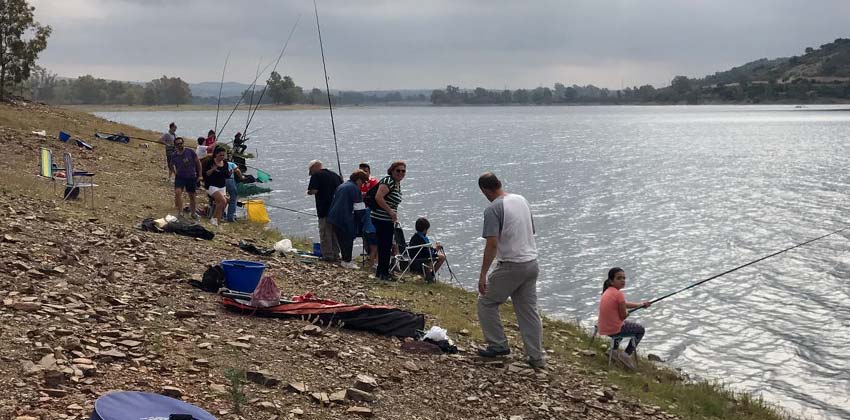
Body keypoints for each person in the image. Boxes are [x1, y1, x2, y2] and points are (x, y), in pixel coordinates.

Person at [476, 172, 545, 369]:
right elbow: (531, 230)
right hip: (531, 262)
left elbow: (492, 243)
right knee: (528, 312)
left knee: (486, 302)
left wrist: (483, 274)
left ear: (484, 189)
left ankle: (498, 345)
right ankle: (536, 356)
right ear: (499, 183)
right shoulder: (520, 200)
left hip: (511, 264)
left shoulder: (493, 209)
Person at [597, 267, 650, 370]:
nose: (622, 280)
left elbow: (623, 304)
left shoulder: (608, 291)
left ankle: (613, 350)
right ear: (611, 281)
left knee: (623, 325)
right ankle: (626, 355)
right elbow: (623, 316)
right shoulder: (619, 294)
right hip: (613, 330)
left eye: (624, 278)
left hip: (603, 327)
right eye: (619, 278)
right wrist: (626, 314)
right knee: (640, 330)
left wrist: (641, 305)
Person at [327, 170, 370, 269]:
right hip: (345, 218)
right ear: (358, 180)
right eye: (363, 182)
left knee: (341, 239)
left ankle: (344, 259)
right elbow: (359, 208)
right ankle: (347, 261)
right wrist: (362, 218)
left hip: (334, 217)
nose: (362, 185)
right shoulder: (354, 189)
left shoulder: (342, 186)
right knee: (348, 239)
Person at [371, 161, 406, 281]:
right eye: (398, 170)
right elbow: (378, 197)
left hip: (387, 219)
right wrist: (390, 211)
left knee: (386, 245)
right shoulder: (388, 181)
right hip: (381, 218)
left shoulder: (397, 183)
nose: (400, 173)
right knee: (385, 245)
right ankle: (383, 273)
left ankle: (382, 271)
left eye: (403, 171)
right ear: (392, 170)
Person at [307, 160, 343, 262]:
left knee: (325, 233)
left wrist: (309, 192)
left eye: (311, 171)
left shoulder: (317, 175)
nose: (311, 174)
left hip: (324, 210)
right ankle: (336, 255)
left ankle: (327, 256)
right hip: (336, 210)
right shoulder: (335, 175)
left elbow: (313, 190)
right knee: (334, 234)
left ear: (314, 167)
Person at [170, 137, 202, 219]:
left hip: (191, 177)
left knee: (192, 195)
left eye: (181, 143)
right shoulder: (174, 155)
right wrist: (174, 172)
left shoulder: (190, 151)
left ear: (183, 143)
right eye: (178, 144)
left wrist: (200, 175)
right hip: (180, 177)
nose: (180, 145)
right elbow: (171, 165)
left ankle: (193, 213)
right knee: (178, 192)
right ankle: (180, 212)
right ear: (175, 145)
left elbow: (198, 163)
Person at [408, 217, 446, 283]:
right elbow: (428, 254)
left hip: (413, 257)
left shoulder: (415, 236)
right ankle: (431, 276)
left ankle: (428, 274)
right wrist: (436, 250)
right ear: (425, 229)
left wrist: (433, 249)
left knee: (436, 256)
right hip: (419, 259)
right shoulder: (422, 239)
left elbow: (424, 250)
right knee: (442, 257)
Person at [203, 146, 231, 227]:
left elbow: (226, 175)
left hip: (222, 186)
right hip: (212, 185)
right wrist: (213, 169)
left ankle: (217, 222)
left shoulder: (225, 163)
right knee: (222, 201)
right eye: (220, 155)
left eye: (223, 155)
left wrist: (229, 173)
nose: (222, 157)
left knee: (224, 203)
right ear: (216, 154)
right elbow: (206, 174)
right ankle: (213, 218)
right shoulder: (210, 162)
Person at [224, 158, 244, 222]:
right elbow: (237, 171)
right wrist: (242, 177)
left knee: (221, 198)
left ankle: (221, 214)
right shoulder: (231, 164)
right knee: (233, 198)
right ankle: (230, 217)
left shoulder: (219, 164)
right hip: (229, 180)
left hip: (219, 181)